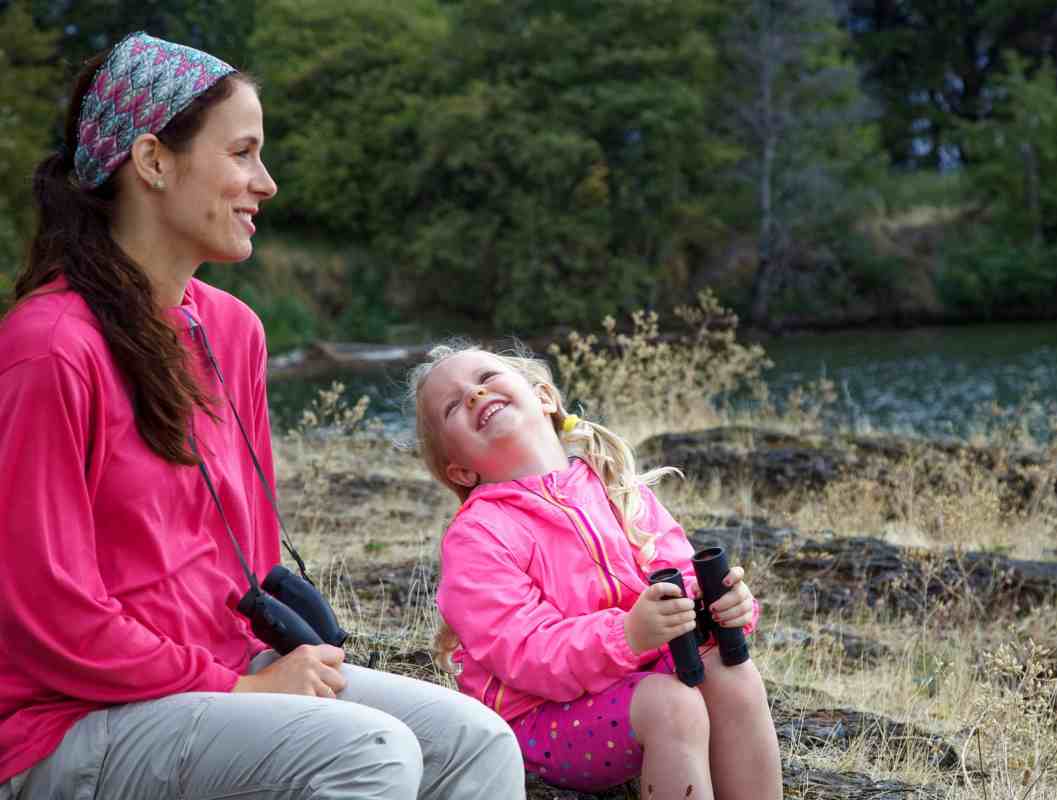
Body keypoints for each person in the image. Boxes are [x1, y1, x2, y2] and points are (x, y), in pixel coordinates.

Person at [0, 32, 523, 800]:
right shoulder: (49, 349)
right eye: (242, 153)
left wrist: (253, 673)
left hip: (217, 677)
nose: (266, 182)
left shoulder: (233, 332)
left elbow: (244, 557)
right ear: (152, 161)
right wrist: (237, 688)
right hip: (69, 721)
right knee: (370, 752)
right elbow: (43, 615)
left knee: (478, 741)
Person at [410, 342, 784, 799]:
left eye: (486, 379)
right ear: (461, 471)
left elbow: (679, 575)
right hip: (539, 716)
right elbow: (526, 653)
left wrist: (723, 607)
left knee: (734, 672)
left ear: (544, 396)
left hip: (632, 676)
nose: (473, 395)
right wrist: (627, 634)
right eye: (453, 405)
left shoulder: (613, 486)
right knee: (673, 705)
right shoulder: (478, 536)